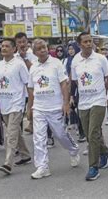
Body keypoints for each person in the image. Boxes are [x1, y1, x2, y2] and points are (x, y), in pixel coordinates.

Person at [27, 39, 80, 179]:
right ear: (34, 52)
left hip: (55, 107)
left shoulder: (56, 63)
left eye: (44, 47)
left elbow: (63, 84)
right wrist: (29, 108)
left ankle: (73, 150)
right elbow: (31, 89)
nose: (42, 50)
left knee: (60, 134)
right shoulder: (33, 67)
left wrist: (66, 103)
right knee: (38, 138)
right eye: (39, 49)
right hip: (39, 107)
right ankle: (42, 167)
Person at [71, 32, 108, 181]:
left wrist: (103, 90)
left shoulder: (100, 59)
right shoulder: (75, 60)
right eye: (86, 42)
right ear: (79, 44)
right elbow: (75, 81)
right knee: (89, 135)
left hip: (98, 100)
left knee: (94, 132)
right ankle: (105, 151)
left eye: (90, 41)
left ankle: (93, 167)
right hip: (83, 102)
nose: (89, 44)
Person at [0, 38, 32, 175]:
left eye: (7, 46)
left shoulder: (19, 64)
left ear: (14, 49)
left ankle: (8, 163)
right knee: (15, 132)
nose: (4, 48)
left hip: (17, 104)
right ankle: (25, 154)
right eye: (2, 46)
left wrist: (30, 105)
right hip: (4, 104)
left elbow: (28, 84)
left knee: (10, 133)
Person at [14, 32, 38, 134]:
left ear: (27, 41)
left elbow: (34, 69)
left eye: (24, 41)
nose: (22, 44)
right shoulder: (14, 56)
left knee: (34, 110)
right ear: (16, 44)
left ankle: (33, 125)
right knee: (18, 114)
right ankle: (18, 135)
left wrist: (25, 58)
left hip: (33, 88)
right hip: (19, 91)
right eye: (19, 42)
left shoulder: (34, 55)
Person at [64, 42, 85, 142]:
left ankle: (83, 132)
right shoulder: (67, 60)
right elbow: (71, 79)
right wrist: (71, 94)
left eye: (73, 49)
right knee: (76, 109)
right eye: (69, 49)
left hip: (83, 88)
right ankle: (80, 131)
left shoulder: (79, 59)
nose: (71, 51)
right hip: (72, 88)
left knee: (82, 111)